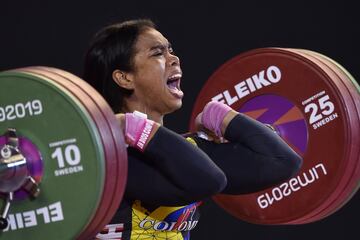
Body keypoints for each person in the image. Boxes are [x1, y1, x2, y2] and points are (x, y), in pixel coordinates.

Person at [83, 19, 302, 240]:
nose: (174, 58)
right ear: (125, 78)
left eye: (171, 50)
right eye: (158, 53)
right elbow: (208, 180)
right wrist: (135, 127)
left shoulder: (188, 151)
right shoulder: (112, 162)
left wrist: (219, 115)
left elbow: (282, 162)